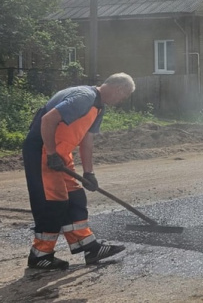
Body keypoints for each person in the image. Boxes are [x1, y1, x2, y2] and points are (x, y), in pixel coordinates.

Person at [22, 72, 136, 270]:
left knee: (75, 197)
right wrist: (50, 154)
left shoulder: (98, 107)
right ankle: (40, 254)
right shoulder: (84, 97)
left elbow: (87, 141)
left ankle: (89, 247)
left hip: (59, 154)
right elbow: (48, 120)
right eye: (124, 97)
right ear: (119, 89)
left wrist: (89, 173)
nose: (121, 101)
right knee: (53, 202)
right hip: (42, 150)